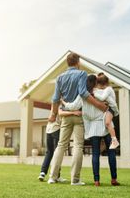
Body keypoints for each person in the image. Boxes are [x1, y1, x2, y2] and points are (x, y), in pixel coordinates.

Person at [47, 53, 107, 186]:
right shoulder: (81, 74)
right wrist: (100, 105)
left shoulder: (60, 77)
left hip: (66, 116)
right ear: (77, 62)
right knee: (78, 146)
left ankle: (52, 177)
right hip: (79, 115)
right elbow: (83, 93)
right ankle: (75, 180)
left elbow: (56, 98)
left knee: (61, 145)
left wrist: (53, 114)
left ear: (67, 63)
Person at [61, 74, 120, 187]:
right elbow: (110, 103)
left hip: (92, 128)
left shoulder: (82, 95)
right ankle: (113, 179)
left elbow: (73, 106)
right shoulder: (101, 93)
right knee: (111, 152)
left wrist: (64, 103)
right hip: (105, 124)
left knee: (95, 154)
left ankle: (96, 181)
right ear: (95, 82)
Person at [37, 111, 67, 183]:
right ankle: (57, 175)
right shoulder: (61, 103)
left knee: (49, 152)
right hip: (56, 129)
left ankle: (42, 173)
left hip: (49, 130)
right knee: (57, 153)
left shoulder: (53, 104)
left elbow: (50, 117)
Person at [94, 73, 120, 149]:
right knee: (106, 123)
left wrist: (94, 93)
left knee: (108, 123)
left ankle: (115, 141)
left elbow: (102, 98)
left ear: (101, 84)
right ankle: (113, 140)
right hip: (110, 108)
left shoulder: (108, 89)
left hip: (112, 108)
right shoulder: (106, 89)